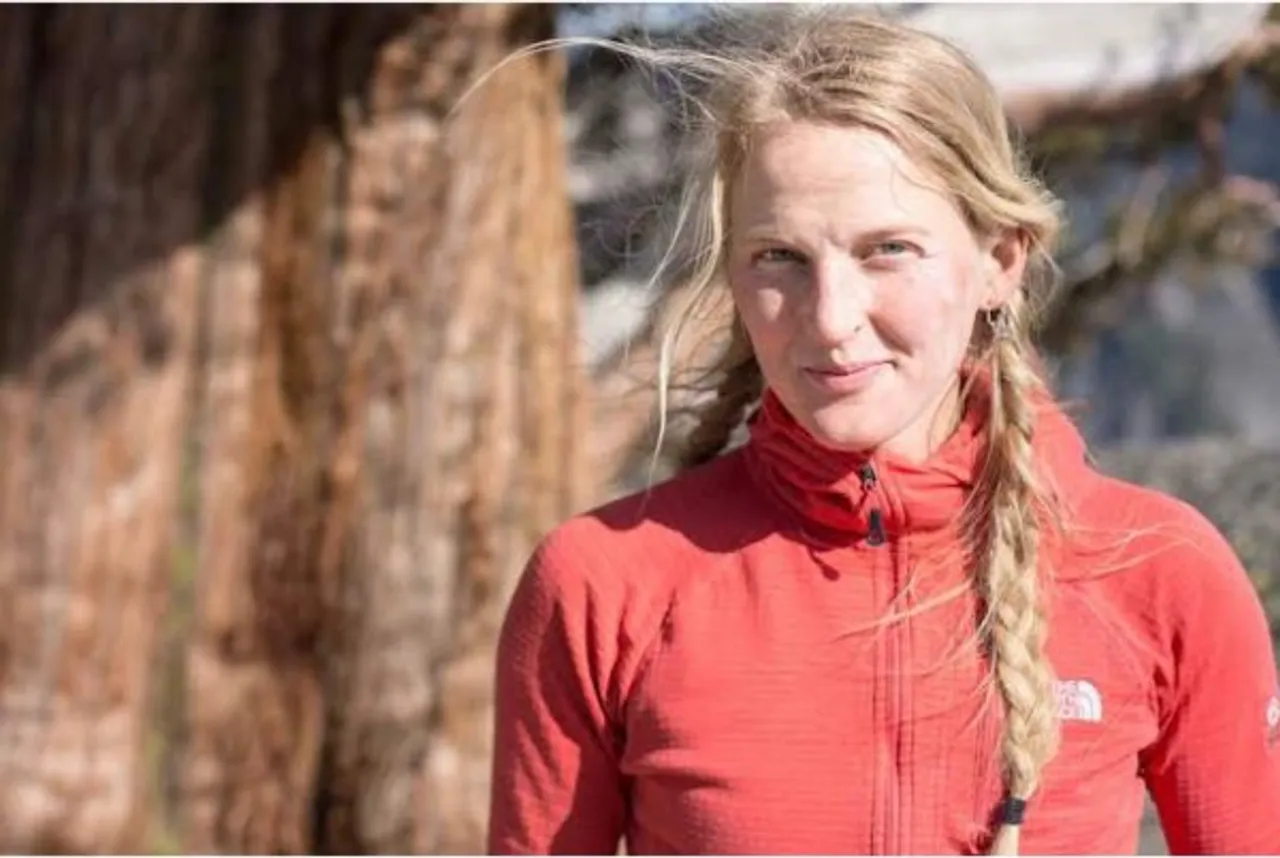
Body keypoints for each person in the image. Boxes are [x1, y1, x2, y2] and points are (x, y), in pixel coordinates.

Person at [486, 8, 1280, 855]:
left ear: (999, 262)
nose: (830, 320)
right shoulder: (605, 589)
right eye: (779, 258)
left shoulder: (1157, 574)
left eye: (887, 250)